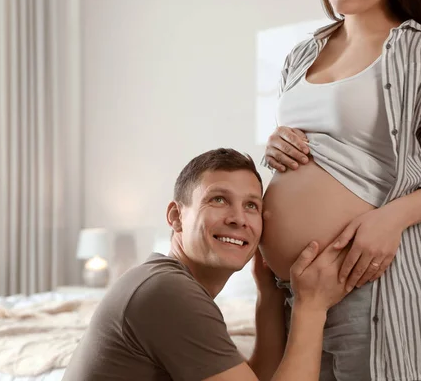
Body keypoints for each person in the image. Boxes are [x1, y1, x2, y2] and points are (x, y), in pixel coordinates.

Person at [259, 0, 421, 380]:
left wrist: (390, 219)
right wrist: (277, 144)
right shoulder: (301, 54)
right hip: (298, 296)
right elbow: (325, 150)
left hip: (378, 289)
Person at [62, 148, 350, 381]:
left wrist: (268, 296)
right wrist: (310, 307)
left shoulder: (164, 280)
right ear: (176, 217)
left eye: (251, 205)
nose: (238, 218)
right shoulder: (167, 292)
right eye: (219, 199)